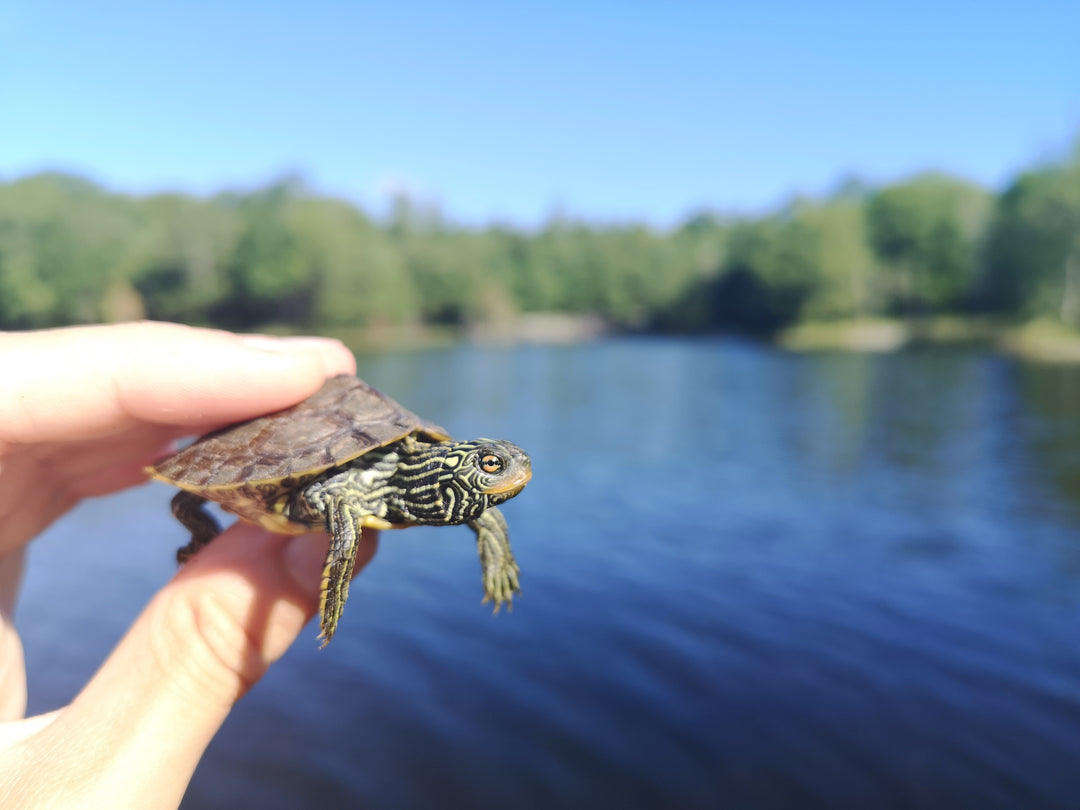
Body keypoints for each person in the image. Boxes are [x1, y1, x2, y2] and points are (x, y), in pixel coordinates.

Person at [0, 321, 377, 809]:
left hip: (329, 480)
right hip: (277, 471)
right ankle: (204, 535)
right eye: (488, 466)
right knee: (188, 501)